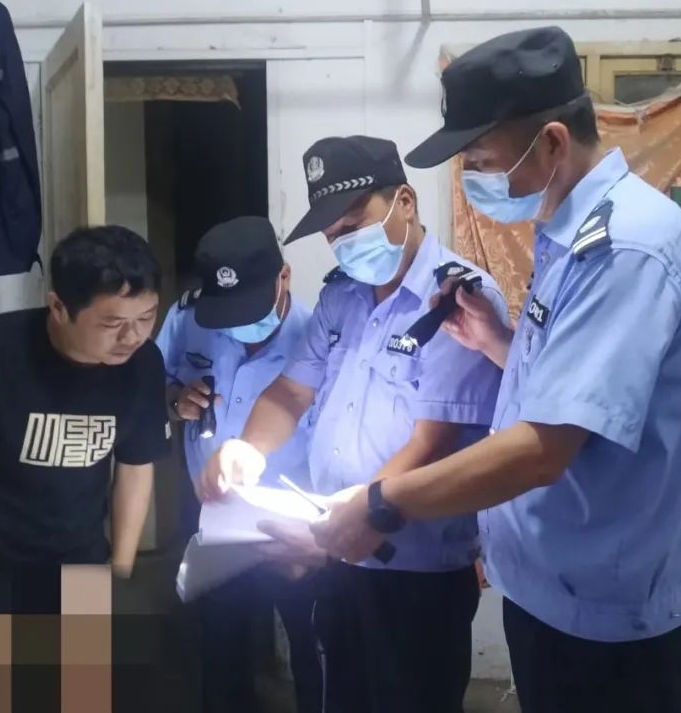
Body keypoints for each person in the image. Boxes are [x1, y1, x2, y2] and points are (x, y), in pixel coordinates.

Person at [311, 27, 681, 713]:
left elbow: (542, 450)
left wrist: (381, 504)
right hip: (552, 595)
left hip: (606, 623)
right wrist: (499, 343)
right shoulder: (568, 235)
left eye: (481, 160)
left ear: (553, 142)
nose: (472, 180)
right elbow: (576, 389)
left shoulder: (624, 248)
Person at [199, 136, 507, 713]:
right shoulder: (341, 298)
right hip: (338, 558)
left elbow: (435, 439)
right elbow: (290, 392)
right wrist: (248, 447)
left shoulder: (456, 298)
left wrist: (365, 510)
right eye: (333, 233)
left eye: (354, 223)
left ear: (405, 202)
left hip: (415, 568)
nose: (344, 243)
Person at [0, 225, 169, 709]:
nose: (132, 336)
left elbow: (135, 467)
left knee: (82, 700)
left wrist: (120, 571)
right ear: (58, 307)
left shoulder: (144, 364)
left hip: (81, 566)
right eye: (112, 323)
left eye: (147, 317)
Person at [154, 216, 322, 713]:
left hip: (296, 521)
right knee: (221, 644)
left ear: (284, 277)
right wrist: (175, 400)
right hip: (217, 516)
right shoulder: (188, 319)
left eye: (250, 308)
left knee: (314, 643)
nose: (237, 324)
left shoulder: (317, 335)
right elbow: (150, 381)